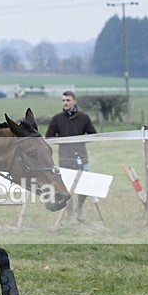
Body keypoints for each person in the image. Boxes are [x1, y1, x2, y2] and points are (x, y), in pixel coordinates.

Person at [45, 90, 97, 223]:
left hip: (81, 157)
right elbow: (49, 137)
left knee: (84, 185)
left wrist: (79, 140)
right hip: (65, 158)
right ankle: (70, 215)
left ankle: (79, 208)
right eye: (63, 100)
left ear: (74, 101)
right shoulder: (57, 119)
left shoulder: (84, 118)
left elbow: (93, 135)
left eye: (68, 100)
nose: (65, 103)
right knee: (66, 187)